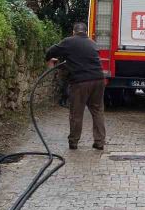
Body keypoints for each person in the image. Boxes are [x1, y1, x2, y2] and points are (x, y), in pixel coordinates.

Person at [45, 22, 106, 150]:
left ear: (73, 32)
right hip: (98, 79)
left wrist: (49, 59)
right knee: (97, 110)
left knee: (76, 112)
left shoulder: (69, 41)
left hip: (80, 82)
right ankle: (99, 142)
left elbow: (51, 51)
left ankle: (73, 142)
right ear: (86, 32)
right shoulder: (92, 43)